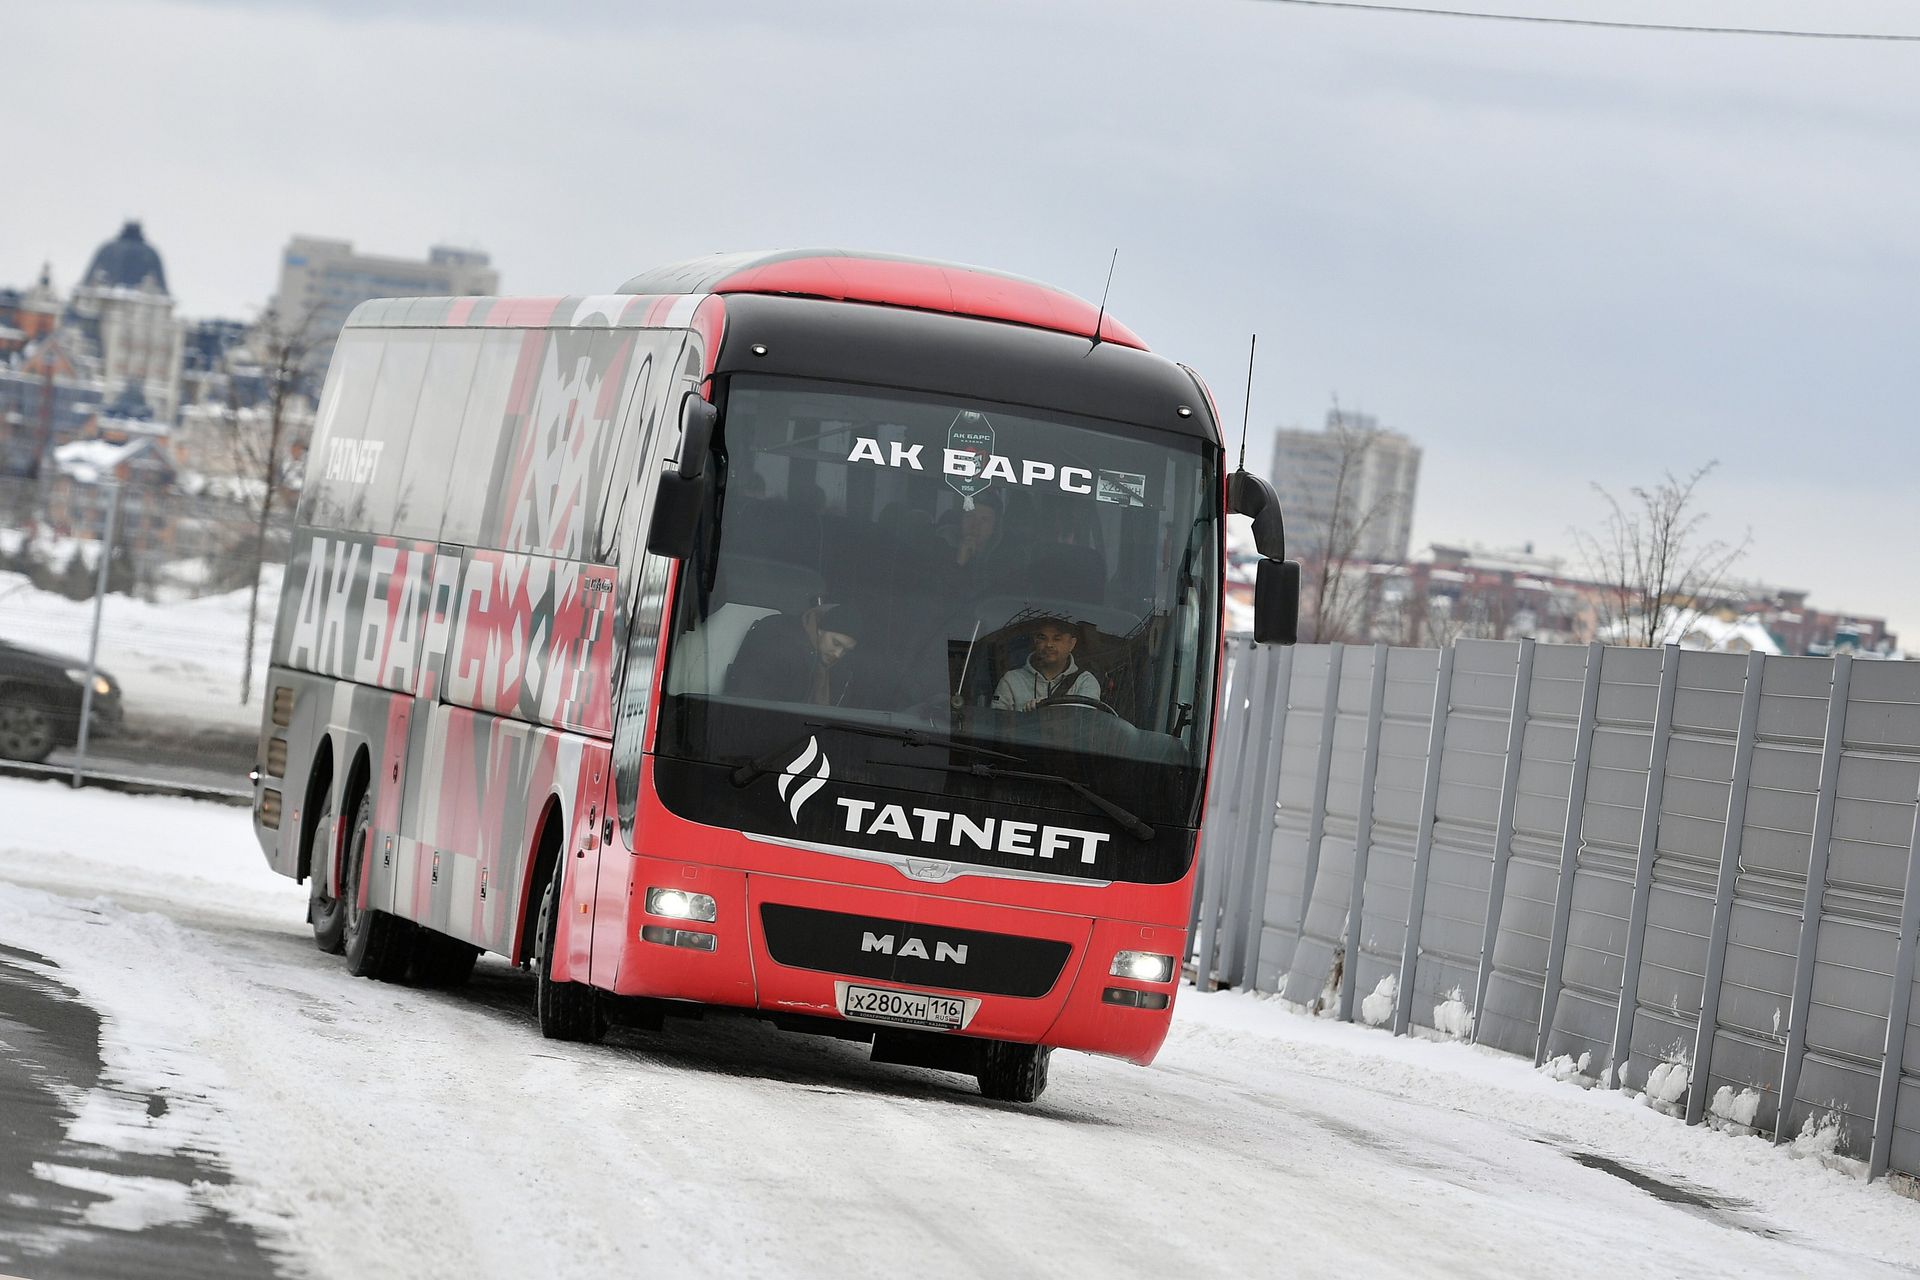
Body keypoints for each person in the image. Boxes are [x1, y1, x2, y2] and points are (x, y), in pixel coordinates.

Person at [726, 601, 868, 706]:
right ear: (820, 630)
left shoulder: (841, 671)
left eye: (845, 651)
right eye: (836, 643)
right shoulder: (778, 640)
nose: (838, 654)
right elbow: (749, 697)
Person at [992, 616, 1100, 711]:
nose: (1049, 644)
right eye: (1042, 638)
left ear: (1072, 644)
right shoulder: (1011, 680)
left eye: (1057, 639)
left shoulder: (1085, 682)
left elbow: (1084, 723)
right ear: (1035, 641)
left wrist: (1048, 710)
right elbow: (998, 725)